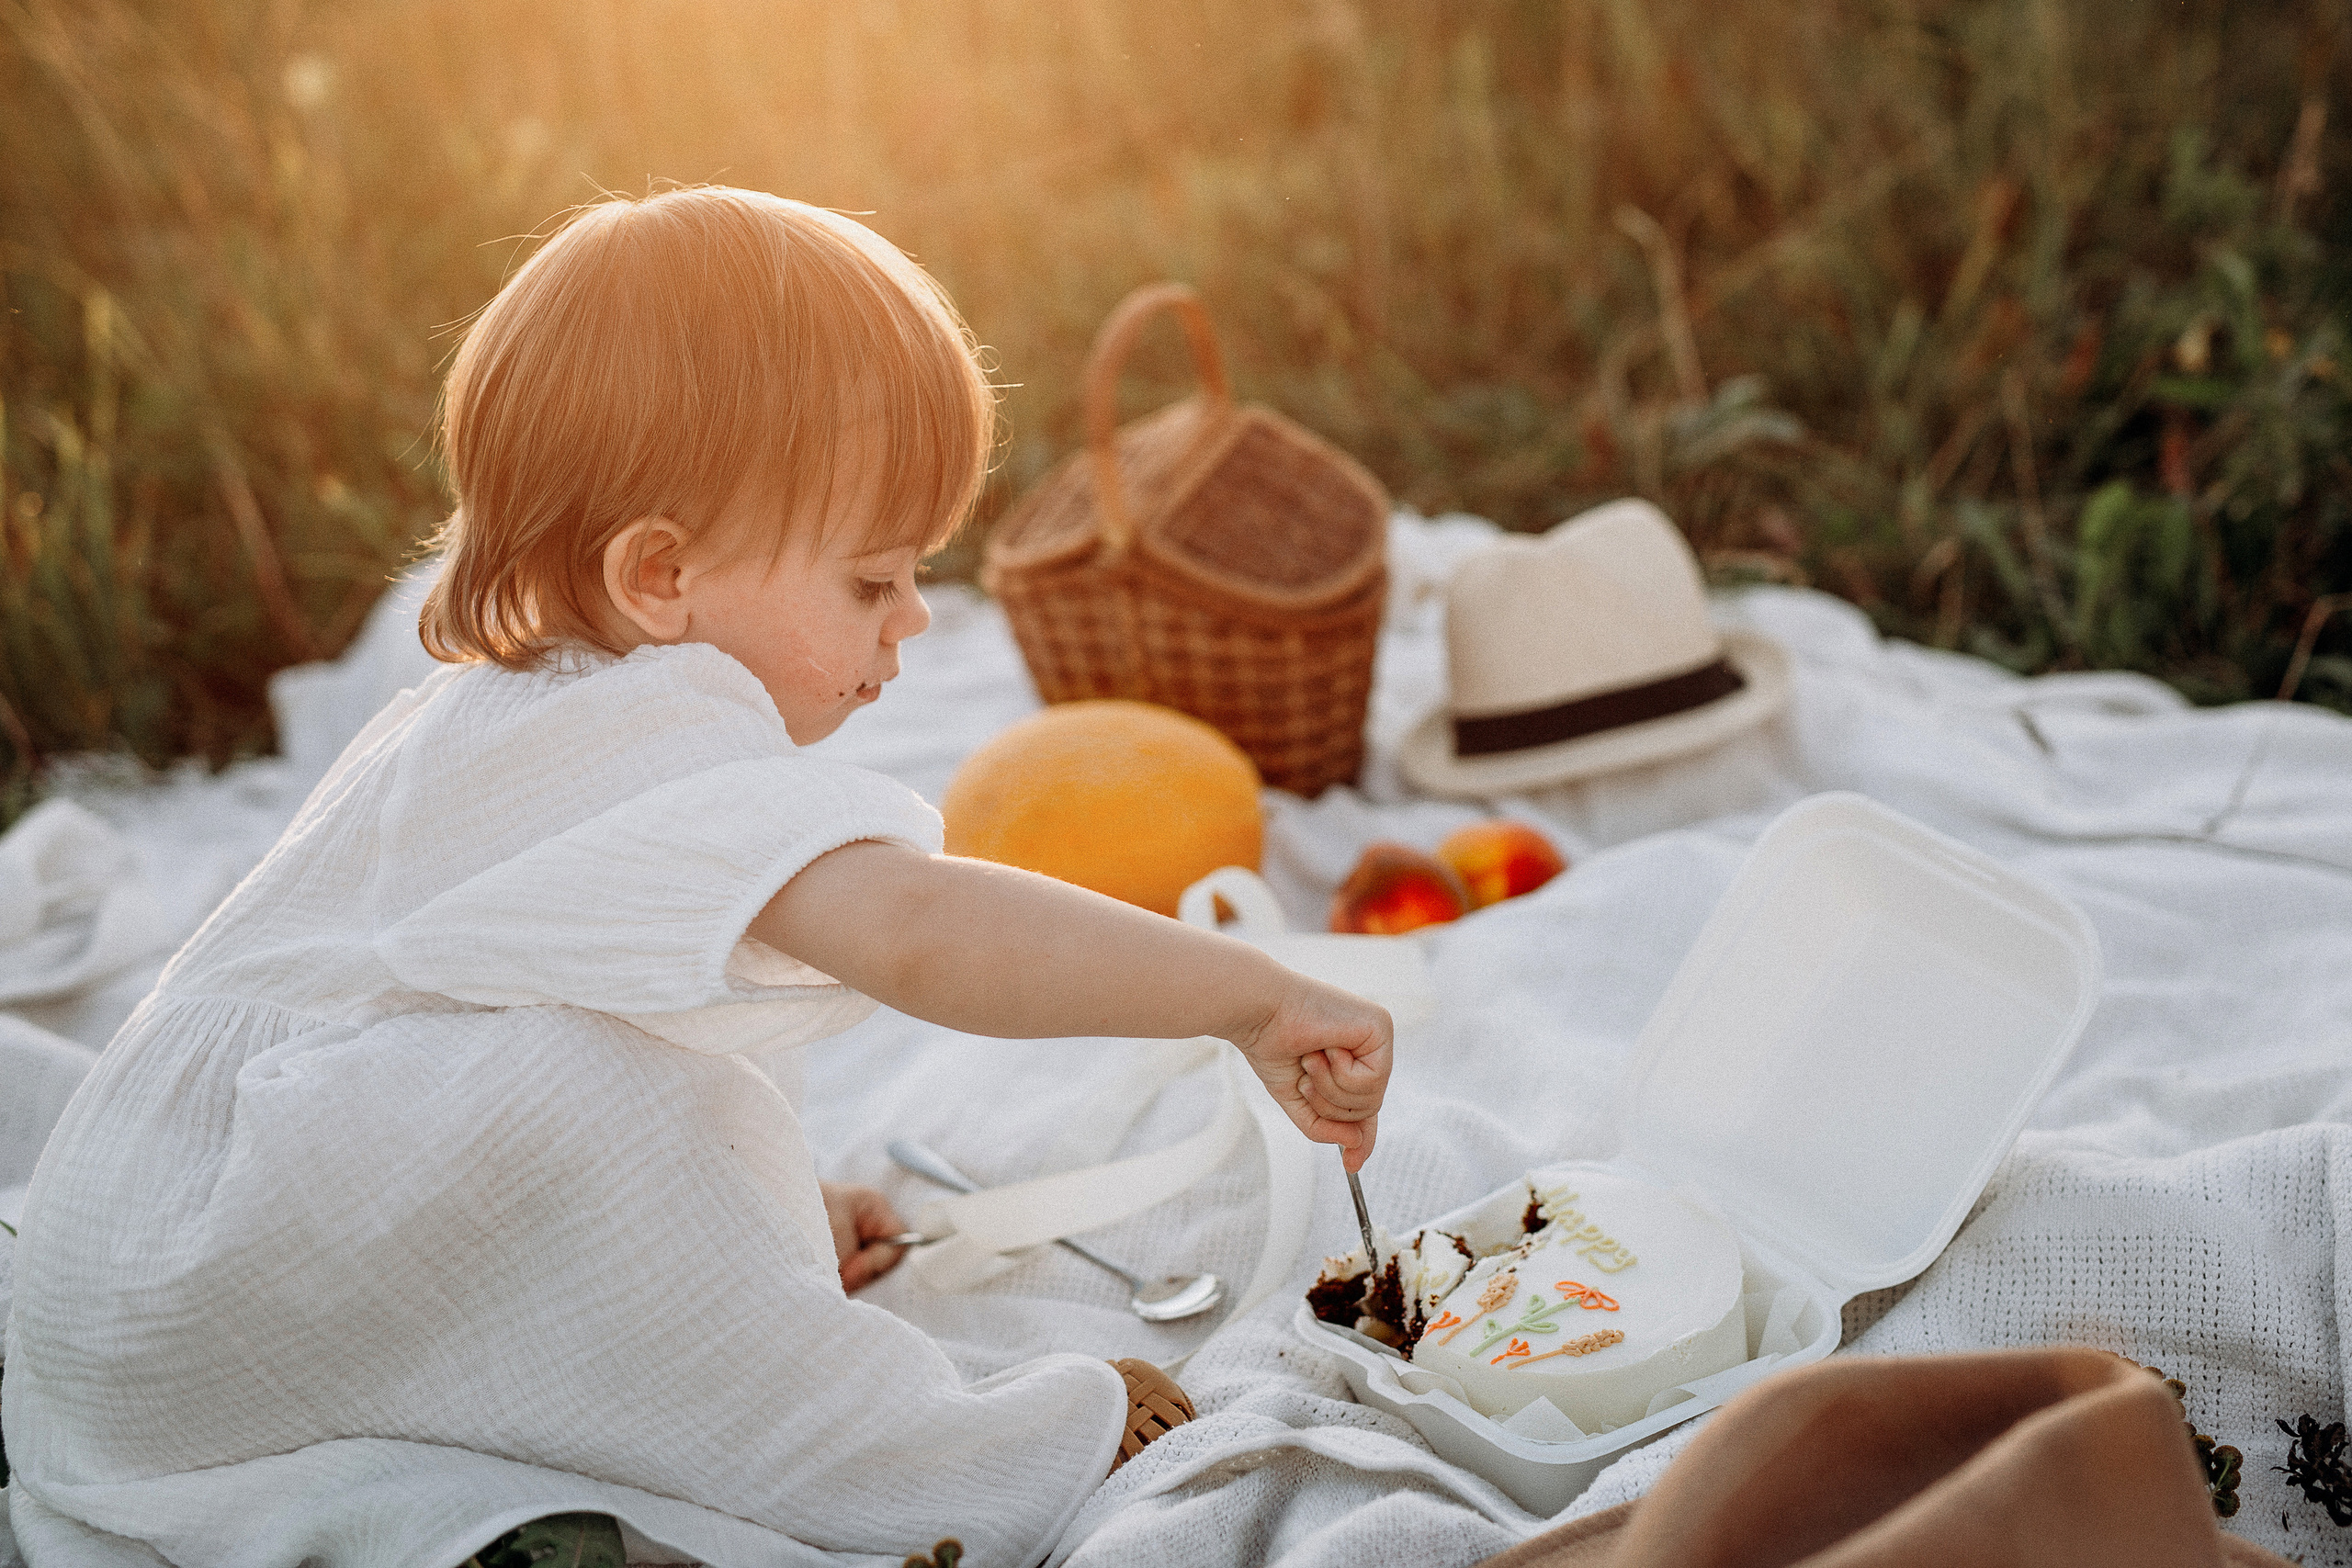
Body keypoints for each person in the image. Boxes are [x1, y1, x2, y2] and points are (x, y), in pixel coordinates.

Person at [0, 187, 1391, 1567]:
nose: (913, 622)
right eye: (871, 581)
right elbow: (911, 926)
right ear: (660, 575)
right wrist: (1247, 998)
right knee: (591, 1094)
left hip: (138, 1306)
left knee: (619, 1065)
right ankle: (968, 1460)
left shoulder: (513, 704)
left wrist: (767, 1207)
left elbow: (648, 1002)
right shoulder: (643, 723)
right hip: (202, 1288)